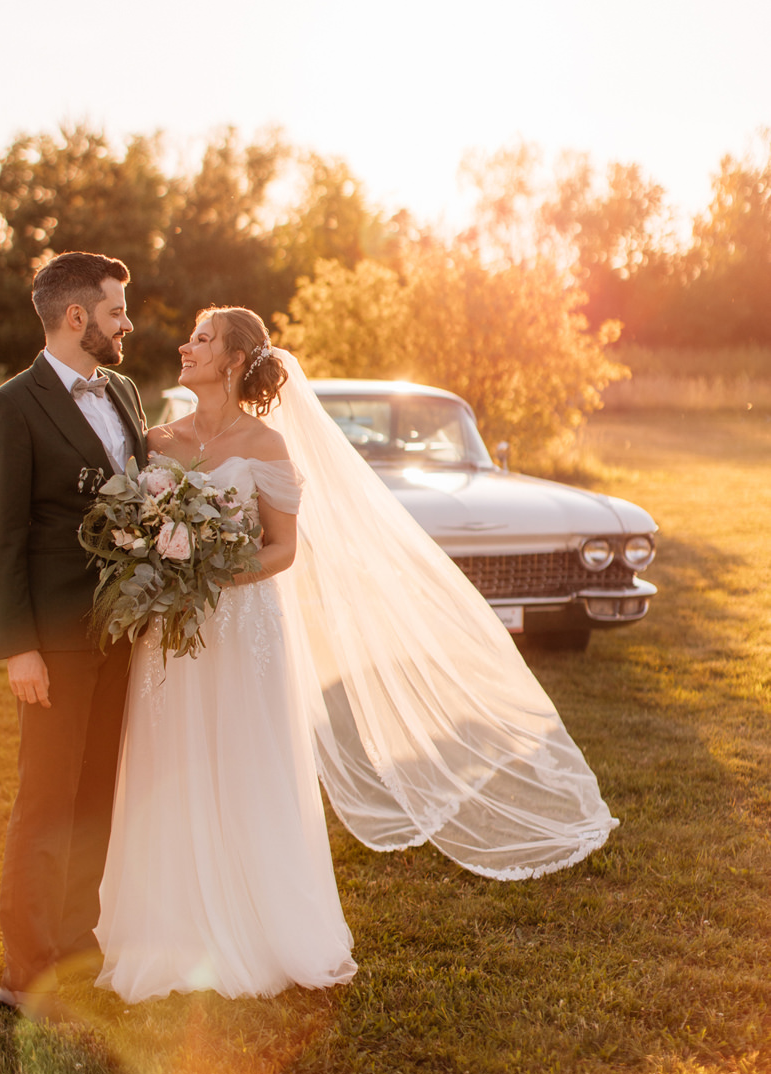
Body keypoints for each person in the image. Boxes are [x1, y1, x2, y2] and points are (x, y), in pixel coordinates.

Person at [94, 307, 617, 1004]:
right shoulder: (155, 440)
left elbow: (283, 546)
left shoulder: (267, 446)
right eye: (192, 337)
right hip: (171, 630)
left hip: (242, 621)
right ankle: (170, 931)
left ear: (233, 361)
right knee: (170, 760)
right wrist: (165, 569)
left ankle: (259, 928)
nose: (186, 346)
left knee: (247, 763)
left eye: (202, 339)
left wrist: (211, 573)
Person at [0, 251, 148, 1017]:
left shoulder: (126, 392)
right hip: (53, 640)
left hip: (122, 637)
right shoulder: (11, 406)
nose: (126, 325)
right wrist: (19, 648)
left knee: (95, 799)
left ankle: (79, 946)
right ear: (77, 317)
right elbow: (2, 537)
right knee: (46, 804)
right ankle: (28, 975)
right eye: (116, 311)